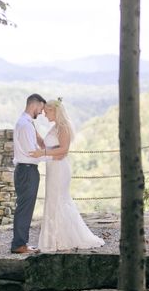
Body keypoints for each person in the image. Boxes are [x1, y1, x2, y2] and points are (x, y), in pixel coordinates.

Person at [29, 98, 105, 253]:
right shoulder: (55, 127)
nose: (44, 115)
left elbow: (63, 150)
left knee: (59, 200)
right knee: (53, 200)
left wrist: (42, 153)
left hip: (60, 169)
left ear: (54, 111)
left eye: (46, 112)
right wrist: (36, 136)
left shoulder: (63, 127)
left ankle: (61, 239)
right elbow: (49, 146)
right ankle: (53, 239)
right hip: (53, 167)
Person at [11, 93, 52, 254]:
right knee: (25, 208)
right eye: (41, 108)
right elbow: (32, 151)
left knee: (24, 207)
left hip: (25, 170)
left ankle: (21, 243)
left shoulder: (25, 123)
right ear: (35, 105)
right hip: (27, 170)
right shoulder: (26, 125)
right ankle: (19, 245)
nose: (42, 112)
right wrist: (54, 155)